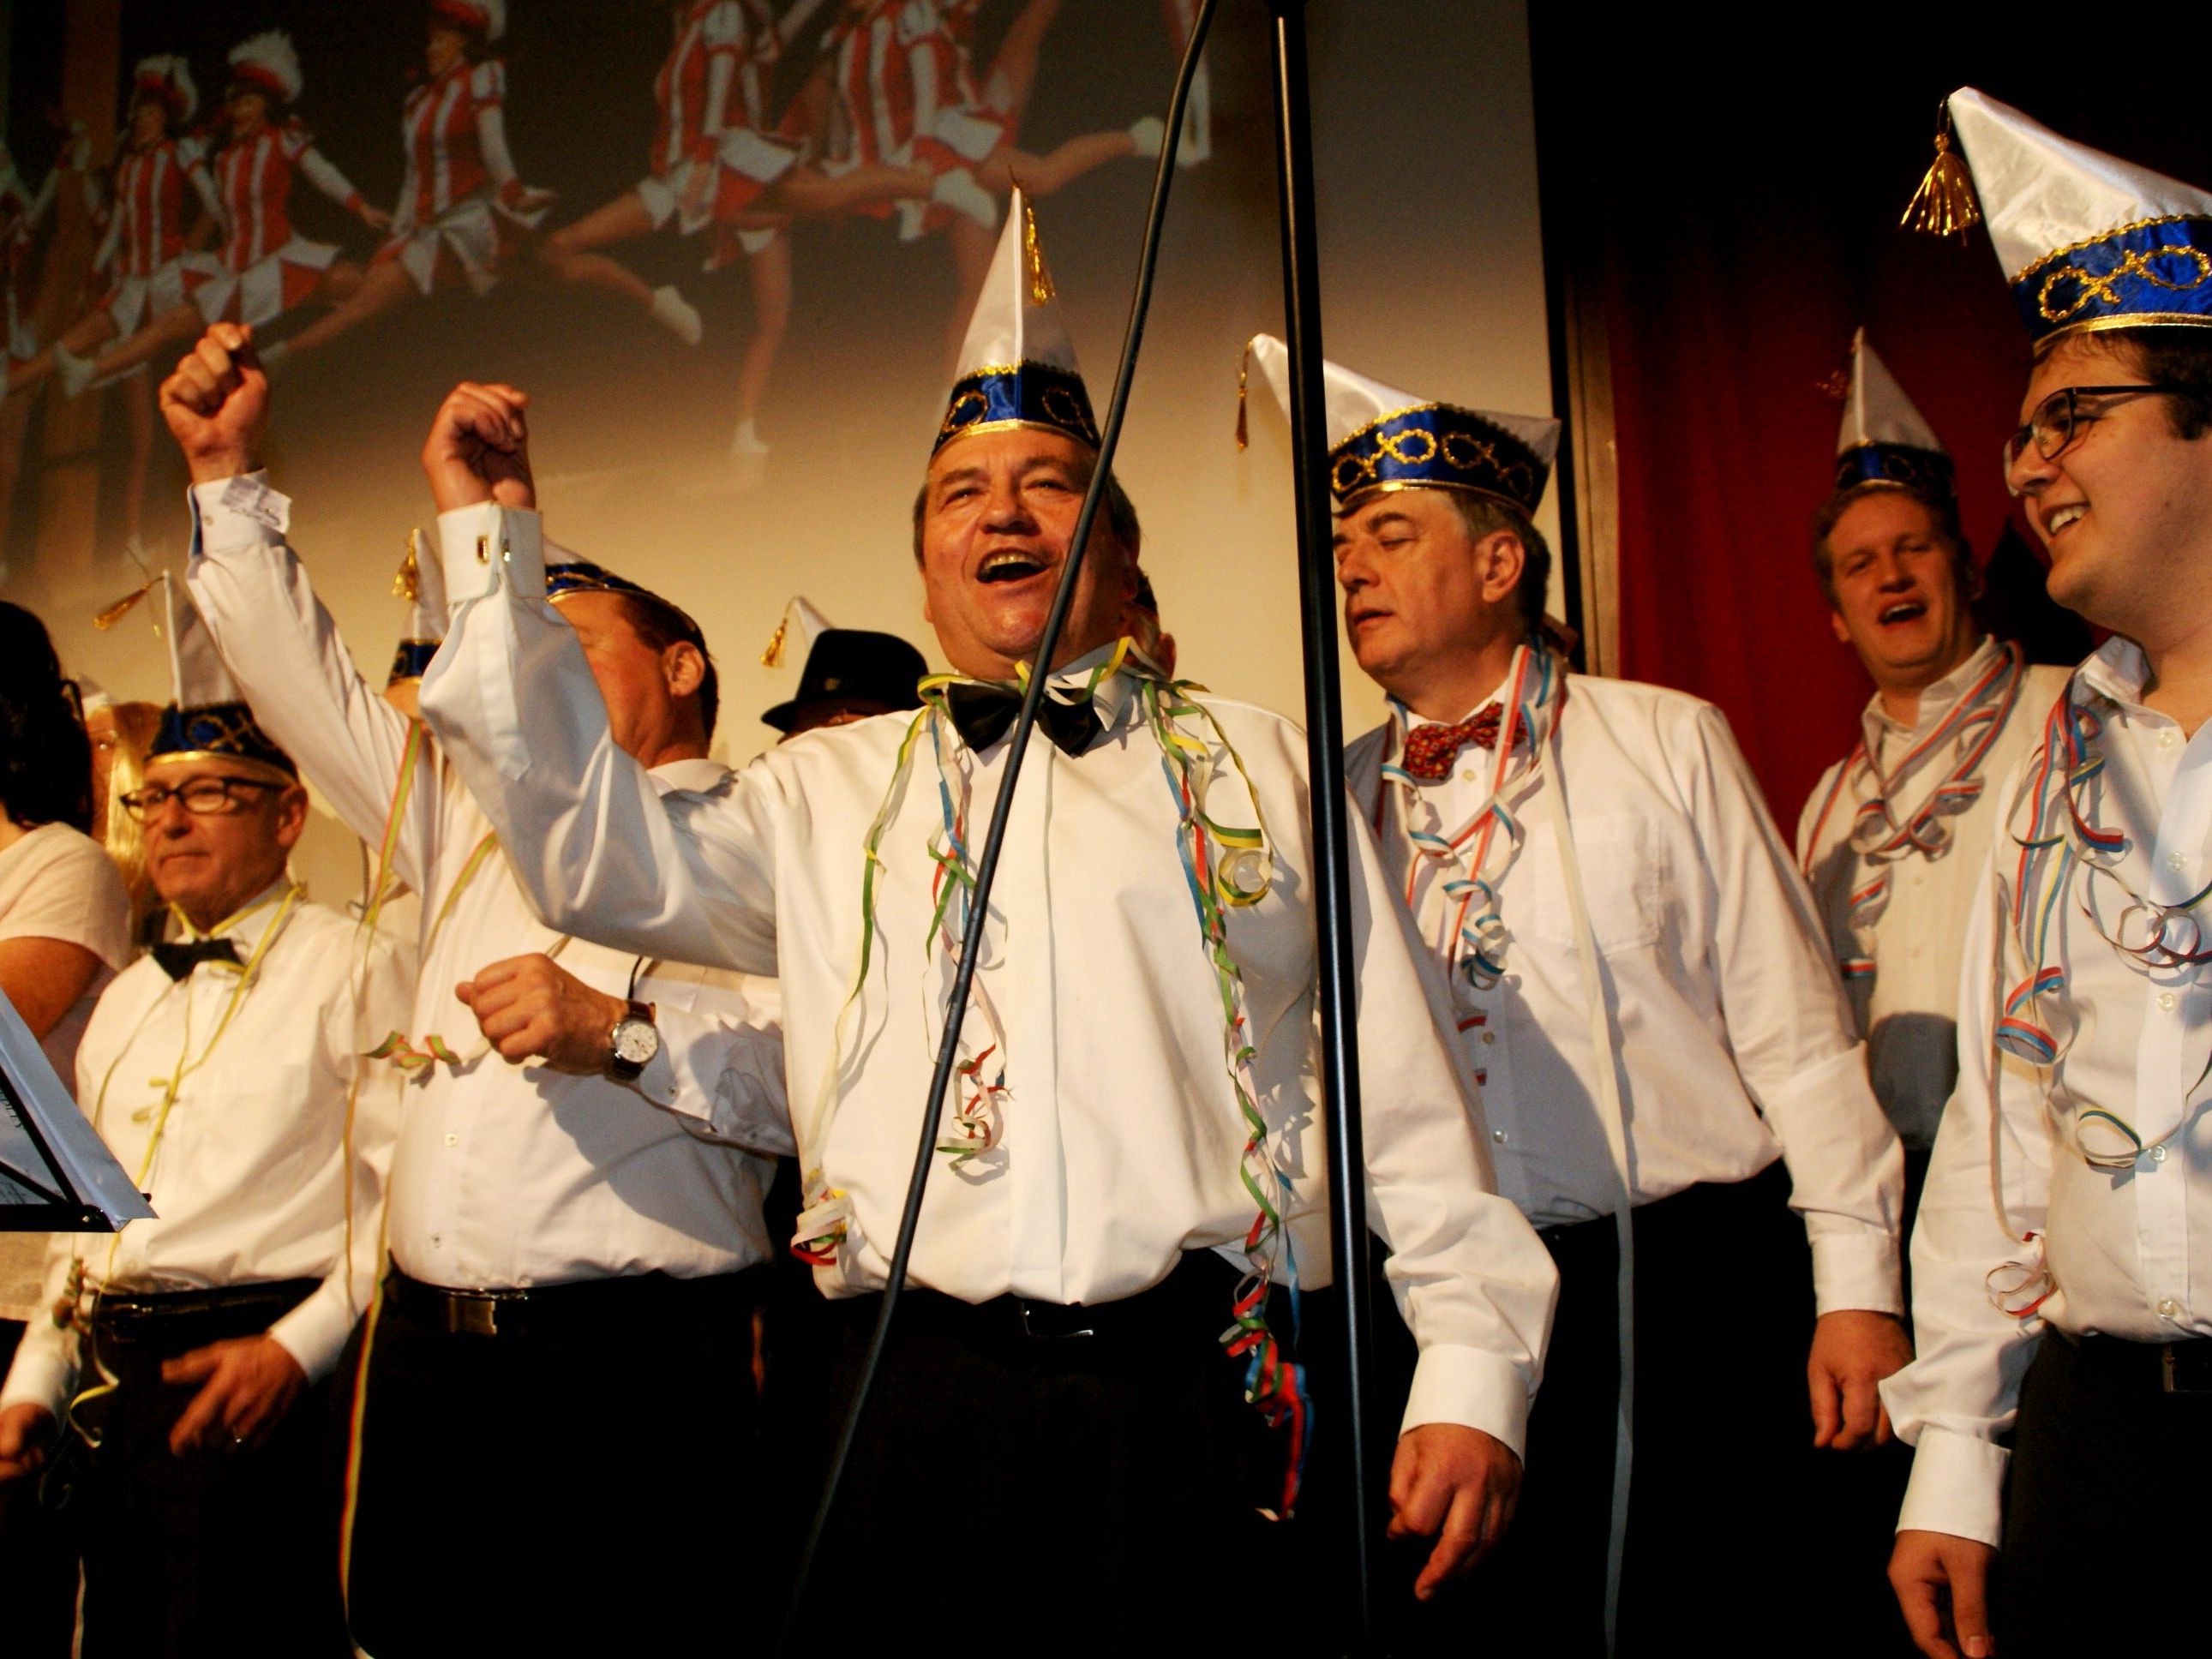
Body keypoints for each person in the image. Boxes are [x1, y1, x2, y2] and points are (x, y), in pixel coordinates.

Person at [406, 188, 1556, 1646]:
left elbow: (1397, 1085)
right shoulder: (820, 792)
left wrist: (1472, 1366)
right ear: (931, 568)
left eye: (1050, 482)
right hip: (911, 1400)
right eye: (961, 492)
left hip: (1205, 1396)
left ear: (1125, 554)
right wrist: (492, 544)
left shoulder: (1261, 757)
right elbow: (583, 851)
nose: (1002, 511)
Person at [1244, 333, 1909, 1651]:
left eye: (1388, 535)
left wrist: (1857, 1287)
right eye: (1342, 549)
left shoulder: (1664, 738)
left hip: (1683, 1282)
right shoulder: (1326, 799)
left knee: (1707, 1614)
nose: (1352, 569)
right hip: (1443, 1298)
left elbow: (1792, 1029)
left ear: (1499, 563)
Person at [160, 320, 789, 1652]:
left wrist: (623, 1035)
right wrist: (226, 479)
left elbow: (814, 1095)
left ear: (681, 663)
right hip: (432, 1359)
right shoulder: (461, 823)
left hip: (632, 1368)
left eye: (572, 647)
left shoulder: (769, 834)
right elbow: (304, 683)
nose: (529, 682)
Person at [1882, 88, 2212, 1659]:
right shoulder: (2051, 755)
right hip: (2100, 1442)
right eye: (2018, 430)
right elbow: (1998, 1124)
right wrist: (1956, 1449)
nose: (2024, 463)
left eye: (2071, 417)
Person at [0, 583, 408, 1658]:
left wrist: (296, 1349)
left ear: (287, 815)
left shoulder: (356, 966)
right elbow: (86, 1212)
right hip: (113, 1374)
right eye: (158, 798)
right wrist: (36, 1379)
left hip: (256, 1368)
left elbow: (397, 1198)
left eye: (213, 793)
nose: (172, 820)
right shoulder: (128, 992)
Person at [1799, 330, 2071, 1189]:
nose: (1890, 576)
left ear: (1965, 569)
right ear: (1838, 613)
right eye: (1859, 564)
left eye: (1912, 548)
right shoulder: (1828, 804)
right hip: (1888, 1189)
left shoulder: (2075, 715)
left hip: (2048, 1168)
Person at [537, 0, 1000, 482]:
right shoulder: (692, 28)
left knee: (790, 268)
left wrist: (703, 162)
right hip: (679, 176)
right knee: (560, 248)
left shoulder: (723, 17)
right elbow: (774, 43)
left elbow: (722, 91)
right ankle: (659, 302)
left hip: (717, 162)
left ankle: (746, 432)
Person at [63, 33, 389, 392]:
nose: (239, 110)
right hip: (238, 271)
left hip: (282, 257)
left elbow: (322, 173)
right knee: (168, 326)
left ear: (265, 106)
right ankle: (90, 370)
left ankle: (302, 354)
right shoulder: (223, 160)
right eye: (236, 103)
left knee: (363, 285)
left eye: (248, 102)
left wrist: (360, 206)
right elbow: (217, 212)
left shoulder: (283, 140)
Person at [259, 1, 551, 372]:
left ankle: (281, 356)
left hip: (468, 220)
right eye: (430, 41)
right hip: (426, 228)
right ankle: (281, 350)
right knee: (364, 286)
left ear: (462, 42)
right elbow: (414, 179)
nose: (430, 49)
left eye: (440, 40)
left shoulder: (481, 78)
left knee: (371, 298)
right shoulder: (419, 101)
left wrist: (513, 192)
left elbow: (493, 144)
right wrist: (398, 233)